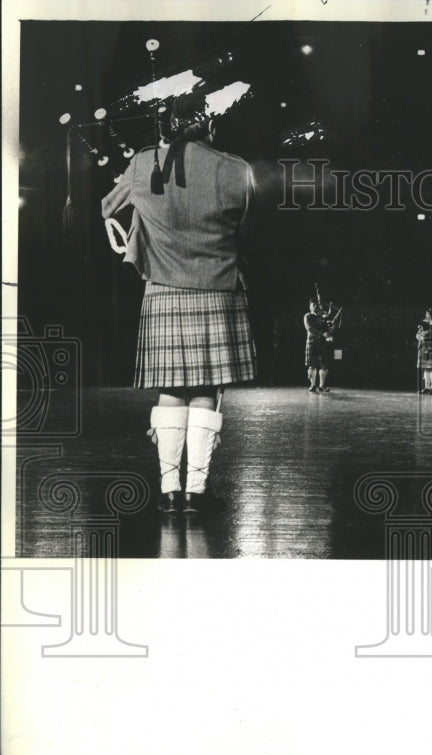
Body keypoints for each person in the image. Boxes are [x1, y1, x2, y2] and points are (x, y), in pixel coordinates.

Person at [101, 93, 256, 514]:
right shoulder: (236, 168)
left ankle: (169, 493)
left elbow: (106, 207)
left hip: (163, 289)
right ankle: (196, 493)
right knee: (205, 389)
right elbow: (247, 229)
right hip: (217, 288)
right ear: (212, 126)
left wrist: (135, 237)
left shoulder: (142, 163)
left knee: (171, 389)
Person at [304, 299, 330, 392]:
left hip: (322, 343)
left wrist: (328, 328)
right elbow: (309, 328)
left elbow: (326, 329)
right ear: (310, 307)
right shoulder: (307, 316)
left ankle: (322, 385)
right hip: (311, 342)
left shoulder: (322, 317)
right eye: (313, 305)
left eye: (316, 305)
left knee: (324, 365)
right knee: (312, 365)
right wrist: (322, 334)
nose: (315, 306)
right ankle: (313, 385)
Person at [416, 309, 432, 394]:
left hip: (431, 347)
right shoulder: (423, 322)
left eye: (428, 313)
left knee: (431, 367)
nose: (427, 315)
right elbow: (418, 333)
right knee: (425, 368)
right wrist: (420, 336)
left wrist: (431, 325)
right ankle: (427, 387)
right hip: (423, 347)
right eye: (426, 313)